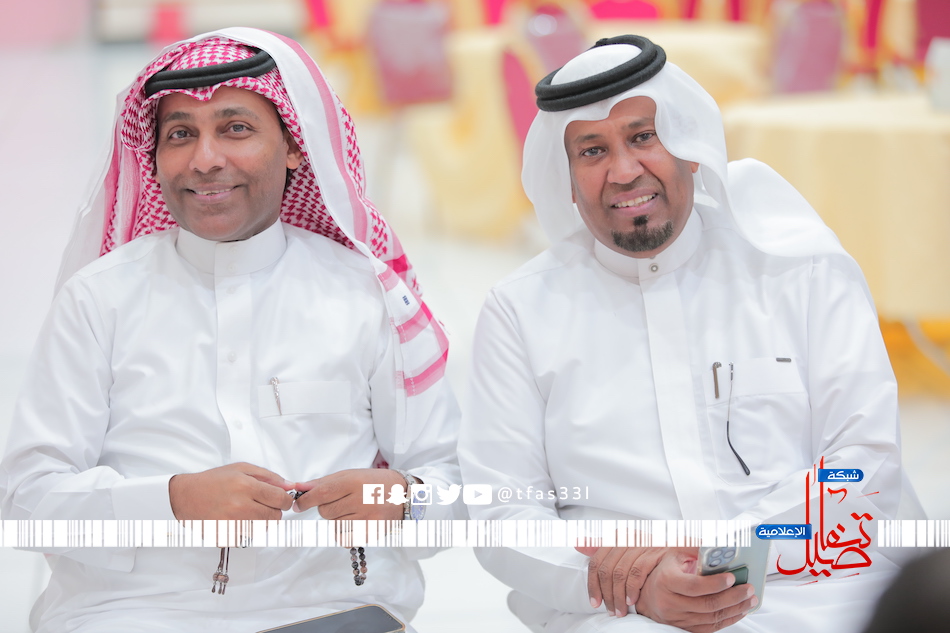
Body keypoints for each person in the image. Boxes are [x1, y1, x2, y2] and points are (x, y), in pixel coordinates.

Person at [0, 27, 460, 632]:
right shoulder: (99, 298)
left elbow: (457, 487)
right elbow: (28, 503)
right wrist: (171, 501)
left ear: (295, 146)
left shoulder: (367, 295)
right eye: (180, 135)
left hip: (333, 608)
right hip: (131, 614)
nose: (205, 159)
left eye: (236, 128)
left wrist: (398, 500)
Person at [458, 34, 917, 633]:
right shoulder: (520, 312)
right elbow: (502, 513)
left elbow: (863, 464)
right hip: (623, 611)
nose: (625, 171)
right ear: (566, 178)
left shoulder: (799, 269)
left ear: (691, 146)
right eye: (592, 151)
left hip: (814, 587)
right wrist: (634, 584)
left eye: (643, 137)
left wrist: (725, 557)